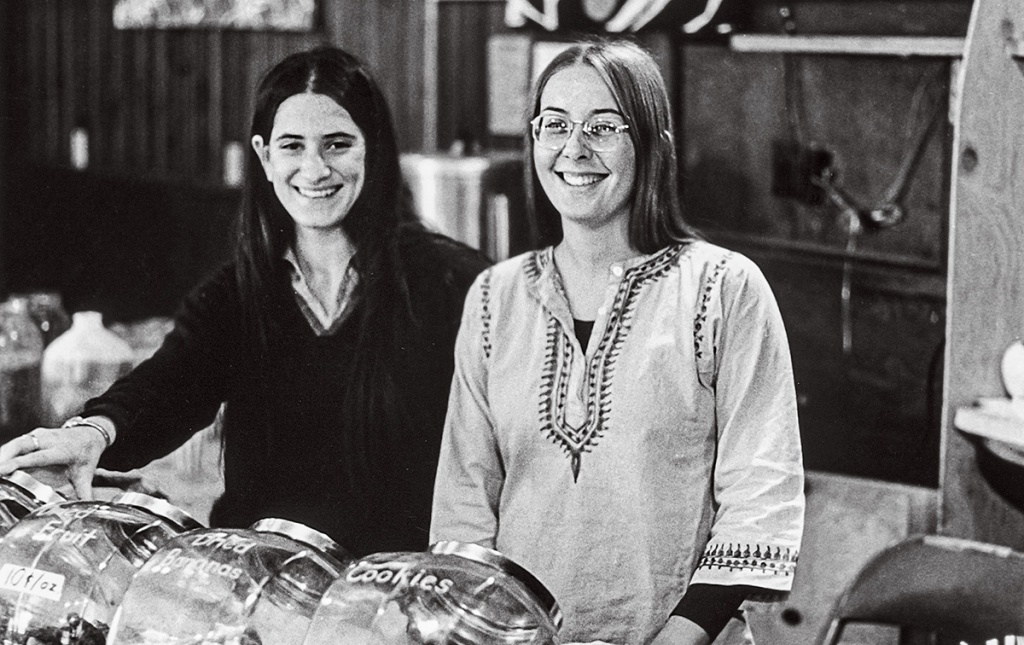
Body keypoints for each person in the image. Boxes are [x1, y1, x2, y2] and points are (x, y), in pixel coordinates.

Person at [0, 46, 491, 556]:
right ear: (263, 155)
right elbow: (170, 384)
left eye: (338, 144)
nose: (314, 168)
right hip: (263, 591)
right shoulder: (237, 293)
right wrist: (92, 434)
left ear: (375, 149)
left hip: (395, 602)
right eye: (292, 146)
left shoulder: (449, 281)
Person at [429, 38, 804, 645]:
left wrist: (677, 639)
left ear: (650, 143)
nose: (574, 149)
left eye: (603, 127)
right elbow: (466, 505)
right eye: (554, 125)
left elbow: (760, 493)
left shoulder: (724, 288)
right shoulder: (494, 298)